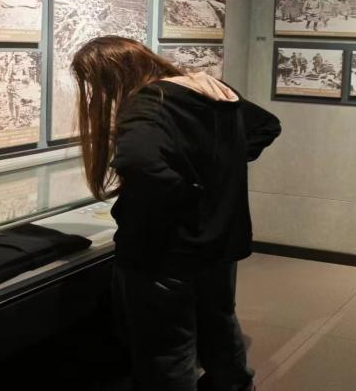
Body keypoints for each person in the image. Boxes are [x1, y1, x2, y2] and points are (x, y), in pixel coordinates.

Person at [72, 36, 281, 391]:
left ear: (112, 75)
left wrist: (188, 196)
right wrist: (218, 168)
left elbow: (138, 162)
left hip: (165, 251)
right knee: (219, 325)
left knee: (167, 348)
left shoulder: (146, 104)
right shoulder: (210, 90)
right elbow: (266, 125)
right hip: (217, 240)